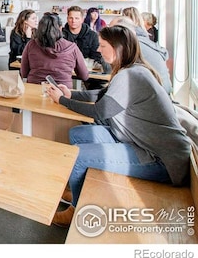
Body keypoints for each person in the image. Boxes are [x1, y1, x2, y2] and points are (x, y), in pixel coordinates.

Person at [46, 25, 192, 227]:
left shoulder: (130, 75)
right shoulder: (133, 70)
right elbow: (103, 95)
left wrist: (62, 100)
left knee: (78, 154)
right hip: (143, 145)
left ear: (117, 48)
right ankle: (77, 188)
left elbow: (100, 111)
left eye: (102, 45)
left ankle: (76, 211)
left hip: (161, 160)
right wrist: (71, 95)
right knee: (78, 133)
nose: (98, 49)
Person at [20, 13, 88, 89]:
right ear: (61, 28)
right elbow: (84, 75)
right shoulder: (72, 47)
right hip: (63, 92)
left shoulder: (31, 45)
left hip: (35, 89)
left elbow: (24, 73)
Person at [109, 16, 172, 95]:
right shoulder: (143, 41)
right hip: (163, 91)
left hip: (153, 95)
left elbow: (110, 70)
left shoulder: (130, 45)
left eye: (111, 31)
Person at [62, 6, 111, 88]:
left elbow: (96, 56)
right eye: (71, 18)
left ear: (82, 19)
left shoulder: (92, 35)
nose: (73, 21)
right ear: (67, 18)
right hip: (66, 70)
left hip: (89, 70)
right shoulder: (61, 35)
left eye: (77, 18)